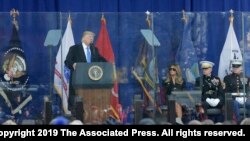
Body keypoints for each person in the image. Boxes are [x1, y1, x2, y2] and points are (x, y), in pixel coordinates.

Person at [65, 31, 106, 115]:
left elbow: (100, 59)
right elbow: (67, 61)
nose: (92, 39)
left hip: (91, 82)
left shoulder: (94, 49)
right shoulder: (74, 48)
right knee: (77, 108)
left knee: (90, 108)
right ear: (83, 38)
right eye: (90, 36)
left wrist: (109, 64)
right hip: (78, 81)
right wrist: (73, 64)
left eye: (93, 37)